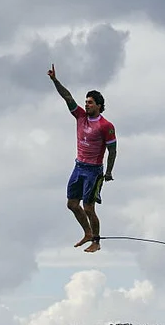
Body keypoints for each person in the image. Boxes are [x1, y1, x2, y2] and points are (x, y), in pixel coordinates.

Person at [47, 63, 117, 253]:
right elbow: (67, 96)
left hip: (94, 171)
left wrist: (108, 172)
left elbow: (113, 150)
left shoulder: (106, 125)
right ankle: (87, 233)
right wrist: (55, 80)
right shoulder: (80, 116)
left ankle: (96, 241)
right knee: (71, 204)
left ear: (99, 106)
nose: (86, 105)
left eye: (90, 102)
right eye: (86, 102)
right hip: (79, 167)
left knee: (88, 208)